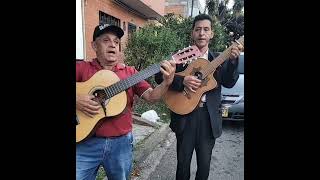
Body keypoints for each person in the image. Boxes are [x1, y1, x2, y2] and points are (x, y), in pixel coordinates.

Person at [76, 23, 176, 180]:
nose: (112, 45)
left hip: (120, 144)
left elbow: (151, 97)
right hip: (86, 142)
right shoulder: (82, 68)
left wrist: (166, 83)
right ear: (94, 45)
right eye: (106, 40)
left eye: (116, 42)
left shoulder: (130, 73)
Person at [155, 14, 244, 180]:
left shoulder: (219, 59)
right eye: (198, 29)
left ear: (212, 34)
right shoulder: (182, 56)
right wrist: (182, 81)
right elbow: (159, 77)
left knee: (204, 166)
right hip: (184, 116)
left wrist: (233, 62)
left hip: (208, 119)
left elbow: (229, 82)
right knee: (182, 166)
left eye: (206, 29)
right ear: (192, 33)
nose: (201, 33)